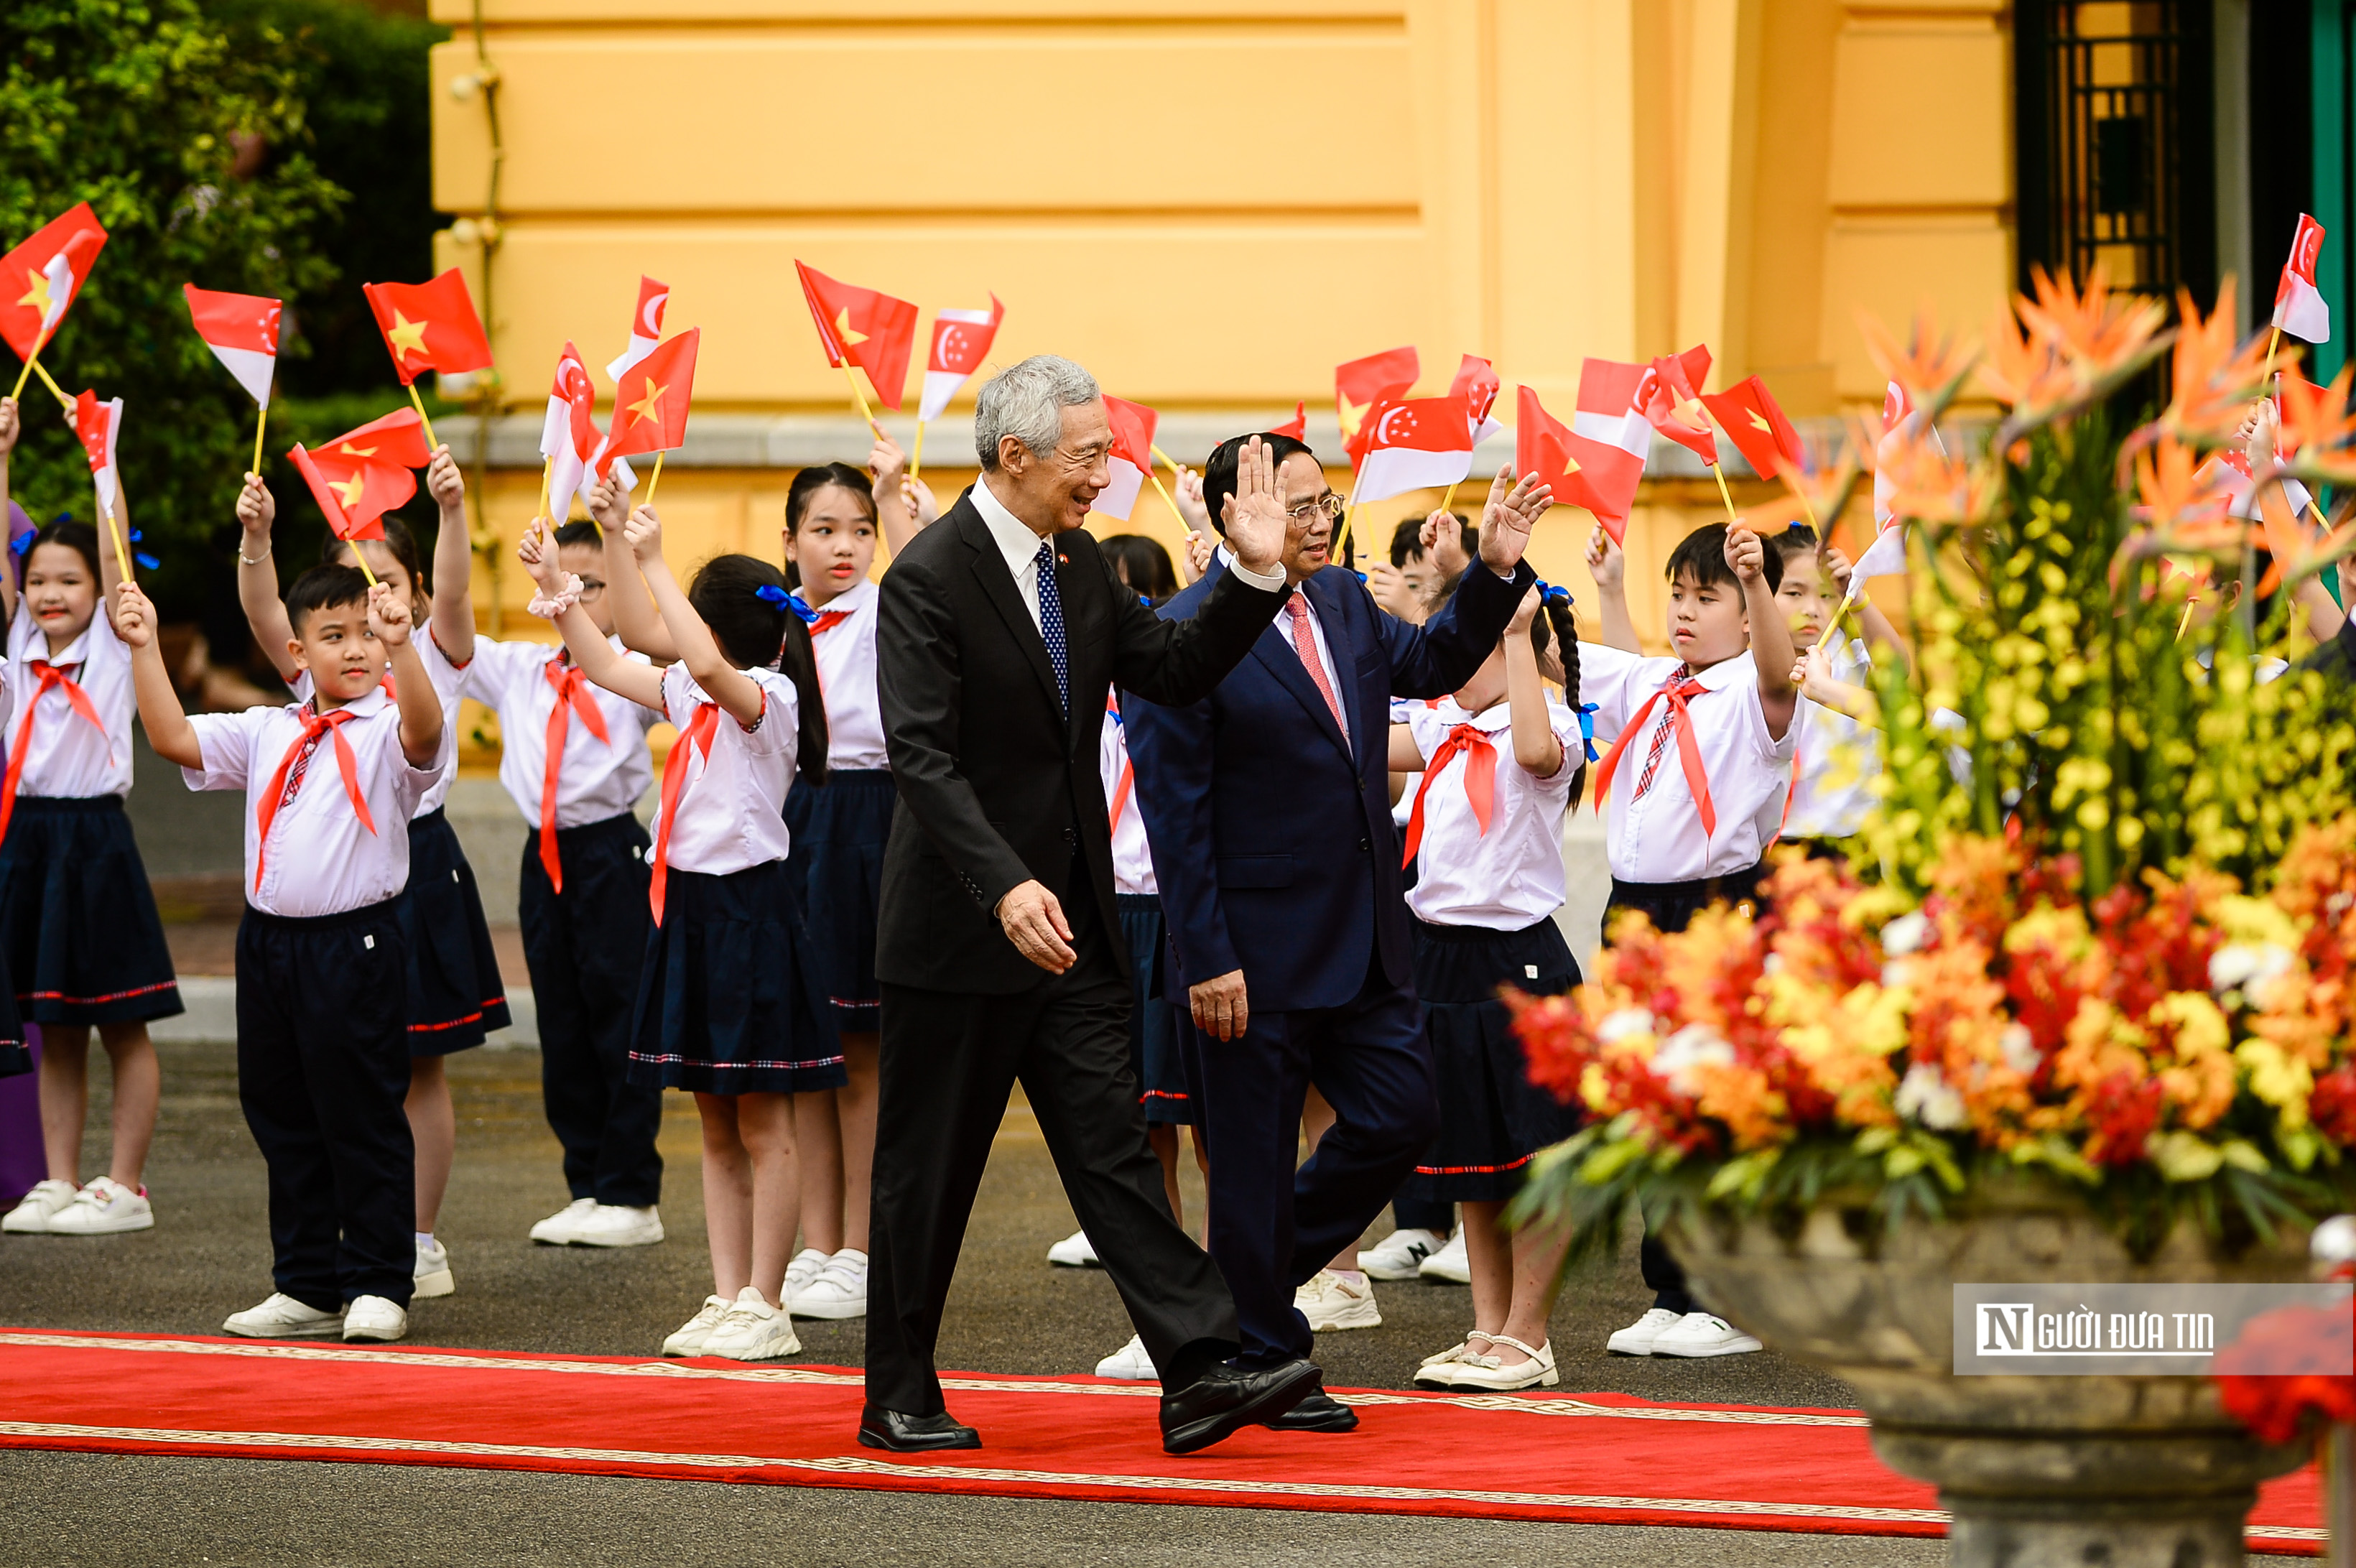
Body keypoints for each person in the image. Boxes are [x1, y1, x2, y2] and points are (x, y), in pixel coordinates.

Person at [866, 354, 1313, 1457]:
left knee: (1114, 1155)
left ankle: (1201, 1368)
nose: (1103, 477)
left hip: (1070, 931)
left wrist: (1251, 578)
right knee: (931, 1170)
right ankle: (896, 1393)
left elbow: (1169, 664)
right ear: (1013, 454)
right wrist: (1002, 880)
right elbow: (923, 759)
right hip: (961, 931)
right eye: (1086, 457)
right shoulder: (927, 576)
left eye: (1106, 453)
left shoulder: (1077, 562)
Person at [1123, 430, 1547, 1434]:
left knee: (1404, 1114)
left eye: (1327, 503)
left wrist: (1491, 566)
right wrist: (1206, 953)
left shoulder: (1350, 601)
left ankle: (1239, 1293)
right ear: (1237, 514)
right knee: (1253, 1157)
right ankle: (1269, 1354)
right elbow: (1174, 815)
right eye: (1299, 505)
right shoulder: (1182, 633)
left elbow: (1442, 660)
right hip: (1251, 953)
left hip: (1364, 937)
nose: (1321, 521)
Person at [523, 504, 833, 1363]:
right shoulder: (694, 688)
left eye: (689, 612)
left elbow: (694, 655)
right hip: (692, 912)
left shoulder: (769, 694)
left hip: (751, 914)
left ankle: (768, 1299)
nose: (673, 629)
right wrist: (559, 589)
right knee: (715, 1122)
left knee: (766, 1120)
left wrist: (651, 558)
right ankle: (728, 1290)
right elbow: (603, 660)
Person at [125, 561, 449, 1342]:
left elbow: (429, 732)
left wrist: (406, 649)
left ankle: (377, 1278)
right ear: (298, 652)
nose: (355, 649)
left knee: (360, 1109)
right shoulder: (270, 727)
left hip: (354, 943)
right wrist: (141, 644)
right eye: (333, 635)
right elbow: (172, 737)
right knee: (280, 1108)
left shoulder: (387, 727)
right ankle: (304, 1279)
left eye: (366, 632)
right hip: (269, 942)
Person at [235, 456, 508, 1302]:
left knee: (415, 1063)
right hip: (342, 875)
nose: (372, 607)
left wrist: (454, 510)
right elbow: (261, 608)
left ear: (414, 590)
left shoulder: (428, 646)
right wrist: (257, 538)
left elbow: (457, 592)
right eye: (356, 594)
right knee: (329, 1076)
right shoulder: (326, 659)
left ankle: (415, 1239)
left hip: (414, 870)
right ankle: (324, 1267)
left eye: (388, 585)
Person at [1579, 521, 1796, 1359]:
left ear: (1748, 615)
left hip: (1713, 907)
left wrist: (1760, 583)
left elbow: (1779, 672)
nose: (1684, 611)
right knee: (1652, 1098)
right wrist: (1608, 587)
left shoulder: (1754, 689)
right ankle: (1671, 1287)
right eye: (1677, 593)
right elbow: (1614, 668)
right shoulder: (1660, 682)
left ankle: (1726, 1294)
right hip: (1634, 907)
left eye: (1708, 597)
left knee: (1713, 1099)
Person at [1388, 577, 1585, 1391]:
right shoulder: (1445, 720)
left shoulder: (1547, 724)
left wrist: (1515, 634)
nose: (1450, 664)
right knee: (1473, 1156)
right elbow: (1355, 731)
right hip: (1440, 959)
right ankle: (1487, 1326)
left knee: (1534, 1154)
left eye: (1471, 647)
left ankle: (1530, 1335)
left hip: (1517, 960)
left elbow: (1538, 753)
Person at [0, 395, 183, 1240]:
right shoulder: (21, 641)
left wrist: (100, 459)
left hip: (95, 838)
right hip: (28, 837)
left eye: (68, 580)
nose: (51, 594)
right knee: (53, 1019)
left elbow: (117, 561)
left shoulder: (111, 637)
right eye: (39, 580)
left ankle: (126, 1183)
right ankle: (60, 1177)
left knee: (120, 1016)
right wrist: (3, 452)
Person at [457, 519, 668, 1250]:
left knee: (618, 1016)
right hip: (540, 856)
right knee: (563, 1017)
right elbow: (453, 638)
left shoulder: (633, 667)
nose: (575, 593)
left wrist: (608, 556)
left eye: (593, 584)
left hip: (610, 852)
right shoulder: (519, 667)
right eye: (561, 578)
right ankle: (587, 1181)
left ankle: (632, 1190)